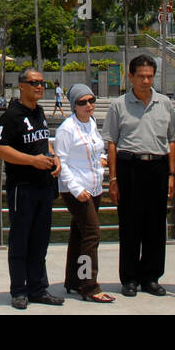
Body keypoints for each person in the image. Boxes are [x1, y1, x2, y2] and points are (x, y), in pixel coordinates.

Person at [103, 53, 175, 297]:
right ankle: (130, 278)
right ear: (130, 76)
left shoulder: (165, 103)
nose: (146, 81)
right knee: (130, 224)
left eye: (150, 76)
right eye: (141, 76)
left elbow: (173, 141)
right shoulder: (119, 105)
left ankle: (151, 277)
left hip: (157, 167)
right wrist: (113, 178)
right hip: (129, 168)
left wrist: (171, 174)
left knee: (156, 225)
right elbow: (111, 143)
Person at [0, 68, 62, 309]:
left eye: (43, 83)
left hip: (44, 186)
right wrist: (32, 161)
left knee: (40, 241)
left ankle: (38, 288)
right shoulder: (11, 116)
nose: (40, 87)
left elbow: (44, 141)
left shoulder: (39, 111)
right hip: (22, 187)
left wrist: (54, 157)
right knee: (20, 240)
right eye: (34, 83)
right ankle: (19, 291)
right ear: (21, 85)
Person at [54, 82, 115, 303]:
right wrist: (76, 189)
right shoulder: (66, 129)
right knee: (92, 232)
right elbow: (61, 162)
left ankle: (73, 280)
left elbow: (97, 148)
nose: (88, 105)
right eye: (82, 102)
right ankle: (89, 285)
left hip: (94, 187)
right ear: (74, 105)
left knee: (79, 234)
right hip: (76, 189)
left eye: (91, 100)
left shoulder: (91, 123)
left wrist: (103, 160)